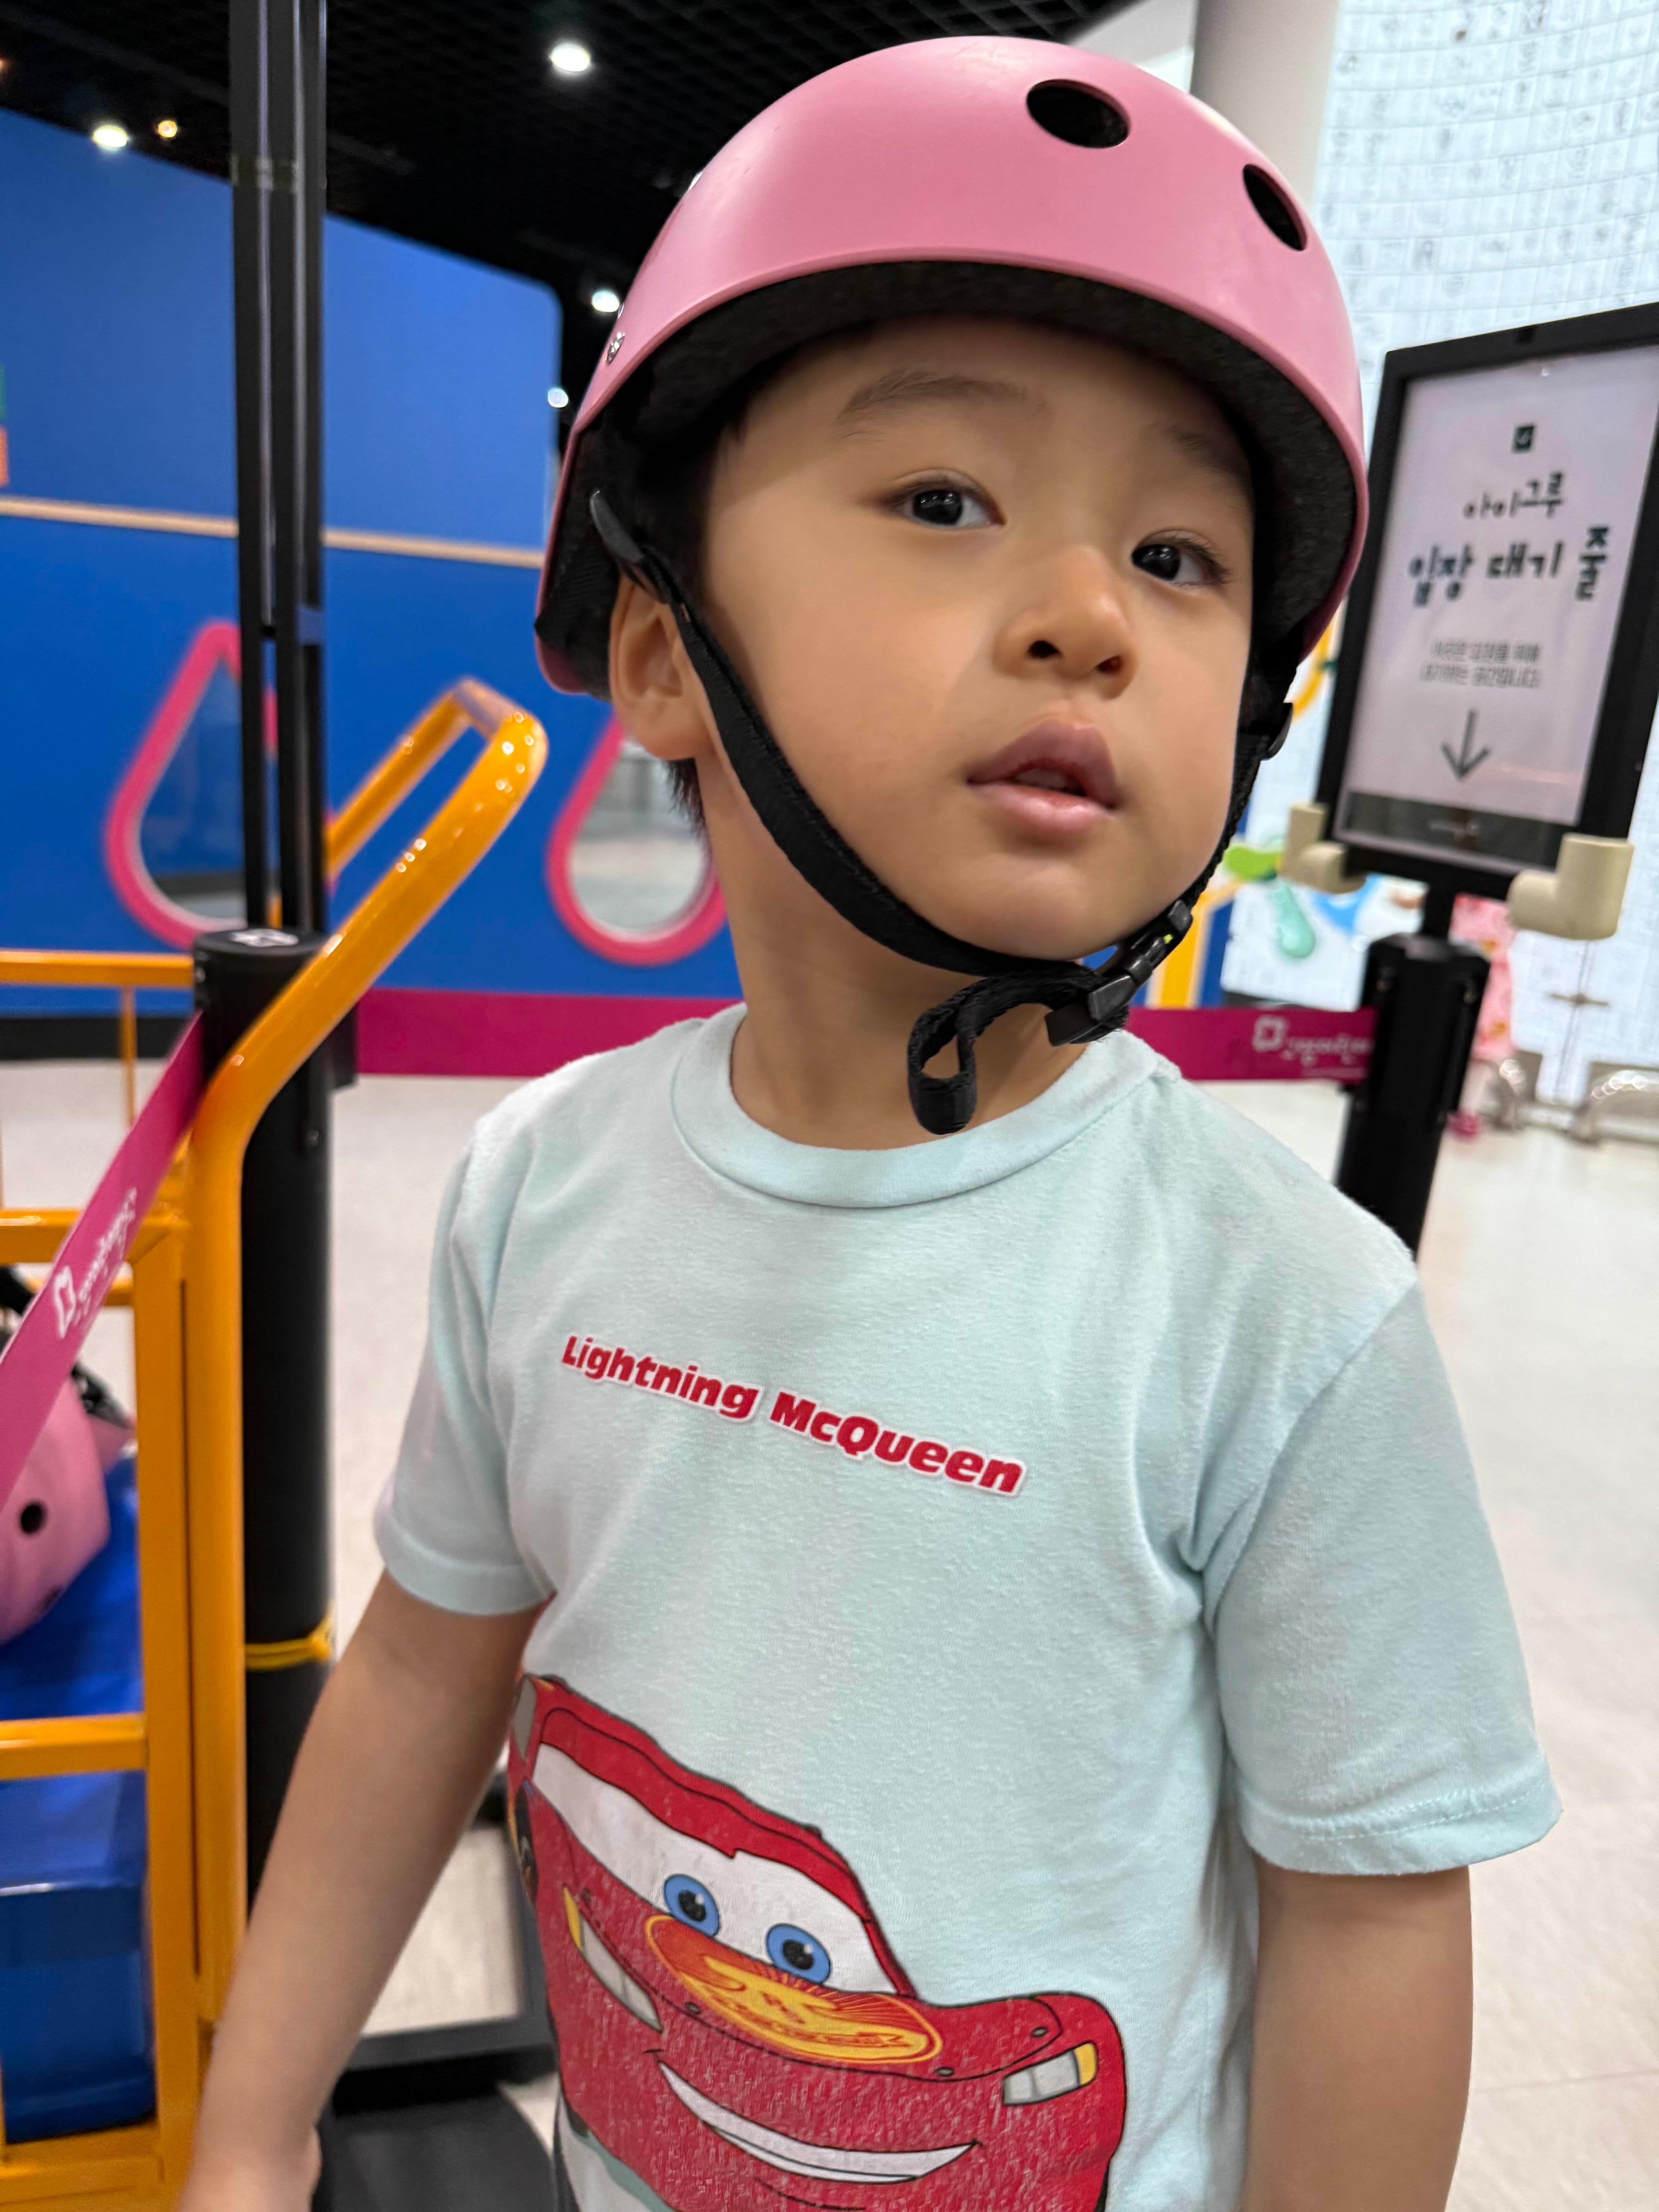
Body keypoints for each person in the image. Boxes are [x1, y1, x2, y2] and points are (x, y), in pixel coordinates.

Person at [182, 39, 1557, 2212]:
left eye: (1180, 555)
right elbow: (428, 1671)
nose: (1088, 617)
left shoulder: (1281, 1316)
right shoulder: (542, 1191)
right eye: (943, 501)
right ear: (661, 655)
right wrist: (253, 2133)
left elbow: (1370, 1919)